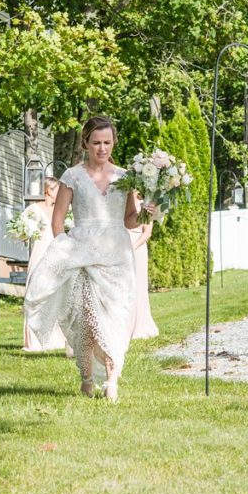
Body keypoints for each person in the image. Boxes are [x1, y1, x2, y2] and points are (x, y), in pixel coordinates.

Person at [23, 116, 145, 402]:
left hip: (117, 255)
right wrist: (67, 252)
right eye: (96, 142)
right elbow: (57, 222)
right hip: (83, 254)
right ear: (85, 144)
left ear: (114, 143)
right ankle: (88, 377)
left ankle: (112, 378)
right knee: (90, 320)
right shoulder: (72, 176)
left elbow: (129, 219)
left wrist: (147, 212)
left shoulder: (125, 176)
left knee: (115, 316)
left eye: (107, 142)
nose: (102, 148)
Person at [22, 177, 69, 352]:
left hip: (56, 253)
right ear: (49, 190)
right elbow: (23, 232)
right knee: (36, 293)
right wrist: (27, 231)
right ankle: (34, 340)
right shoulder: (33, 209)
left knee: (55, 293)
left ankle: (54, 338)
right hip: (40, 252)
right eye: (58, 190)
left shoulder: (62, 210)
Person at [128, 223, 159, 339]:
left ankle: (139, 325)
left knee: (138, 286)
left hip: (137, 249)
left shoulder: (147, 210)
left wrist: (132, 248)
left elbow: (147, 233)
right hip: (120, 247)